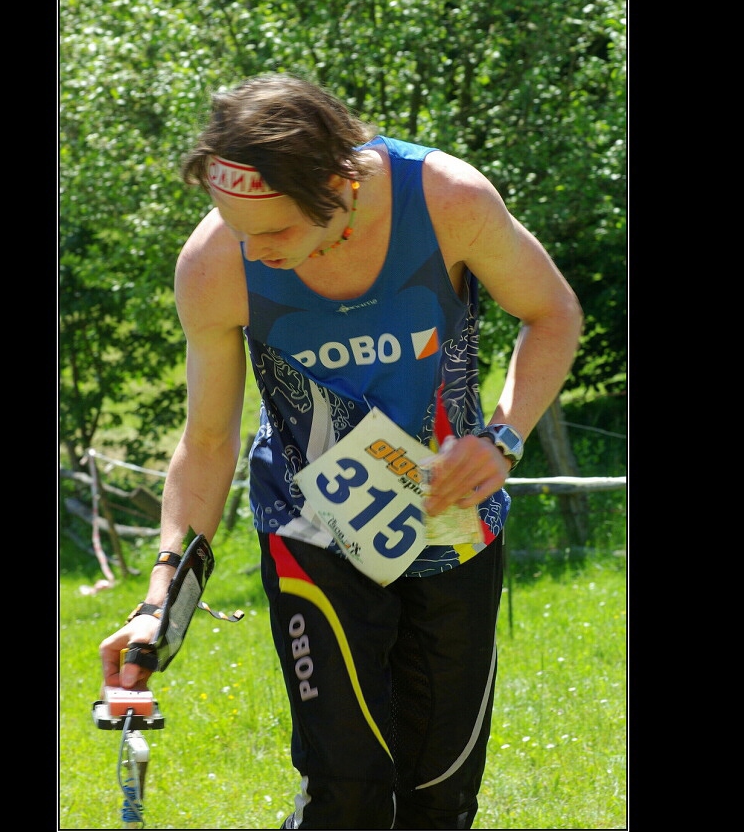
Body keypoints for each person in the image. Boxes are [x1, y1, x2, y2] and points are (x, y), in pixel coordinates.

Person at [99, 73, 583, 830]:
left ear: (338, 185)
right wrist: (161, 598)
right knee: (346, 796)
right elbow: (208, 441)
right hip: (308, 527)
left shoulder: (448, 199)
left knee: (440, 801)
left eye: (274, 232)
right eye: (236, 226)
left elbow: (551, 312)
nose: (252, 250)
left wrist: (504, 438)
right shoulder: (215, 262)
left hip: (453, 524)